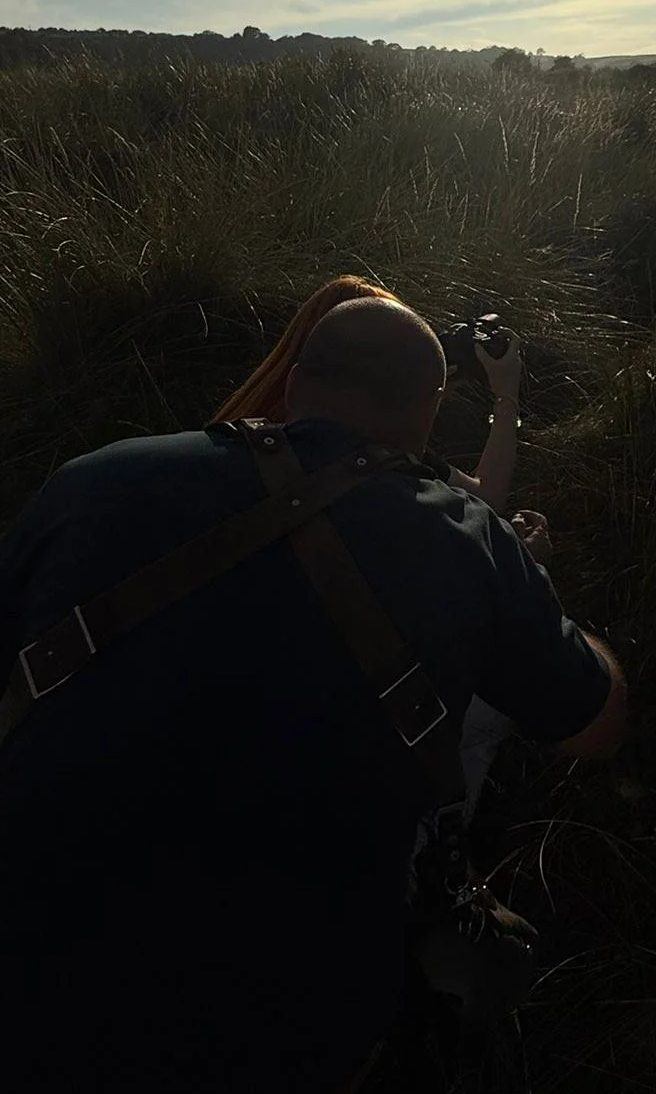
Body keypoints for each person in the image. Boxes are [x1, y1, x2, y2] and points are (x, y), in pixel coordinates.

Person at [0, 294, 625, 1094]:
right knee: (448, 997)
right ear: (427, 413)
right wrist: (539, 595)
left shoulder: (100, 476)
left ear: (294, 377)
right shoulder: (462, 536)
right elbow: (599, 725)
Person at [217, 275, 529, 815]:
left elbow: (482, 494)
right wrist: (506, 393)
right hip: (338, 747)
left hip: (227, 718)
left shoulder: (228, 445)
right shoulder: (388, 475)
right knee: (489, 710)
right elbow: (487, 502)